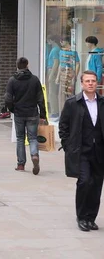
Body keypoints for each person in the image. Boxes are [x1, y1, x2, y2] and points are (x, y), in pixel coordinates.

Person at [59, 70, 104, 232]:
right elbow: (63, 126)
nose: (91, 83)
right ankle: (82, 216)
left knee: (97, 184)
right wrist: (68, 146)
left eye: (93, 81)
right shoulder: (73, 103)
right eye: (87, 81)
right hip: (81, 151)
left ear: (96, 82)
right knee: (84, 182)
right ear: (82, 83)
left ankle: (91, 218)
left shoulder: (102, 102)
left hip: (99, 151)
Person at [5, 57, 47, 174]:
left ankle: (21, 164)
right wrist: (43, 114)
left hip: (19, 113)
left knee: (20, 138)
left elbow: (8, 98)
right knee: (33, 137)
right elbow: (40, 98)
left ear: (17, 66)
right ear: (27, 65)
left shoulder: (12, 80)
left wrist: (12, 109)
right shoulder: (34, 80)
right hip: (32, 113)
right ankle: (34, 155)